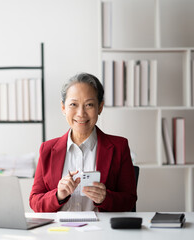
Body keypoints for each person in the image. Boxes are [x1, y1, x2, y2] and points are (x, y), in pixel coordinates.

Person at [29, 73, 137, 212]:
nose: (81, 113)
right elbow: (35, 201)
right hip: (59, 231)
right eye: (73, 104)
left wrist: (105, 198)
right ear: (63, 108)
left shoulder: (119, 147)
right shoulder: (47, 149)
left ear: (100, 107)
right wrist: (58, 195)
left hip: (102, 231)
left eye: (89, 105)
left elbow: (129, 201)